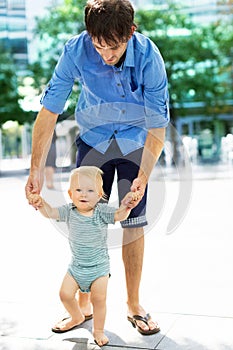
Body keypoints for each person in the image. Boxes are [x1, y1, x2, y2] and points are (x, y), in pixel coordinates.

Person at [25, 0, 170, 335]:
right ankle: (86, 306)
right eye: (98, 45)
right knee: (85, 218)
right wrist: (35, 170)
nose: (105, 54)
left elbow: (158, 124)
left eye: (114, 47)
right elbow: (49, 111)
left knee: (134, 219)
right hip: (94, 137)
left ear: (131, 33)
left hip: (136, 141)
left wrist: (144, 176)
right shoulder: (75, 51)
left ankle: (134, 305)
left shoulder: (150, 58)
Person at [29, 166, 141, 347]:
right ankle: (76, 316)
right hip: (76, 268)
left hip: (99, 269)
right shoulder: (69, 211)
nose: (84, 194)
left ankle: (98, 330)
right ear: (70, 193)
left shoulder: (101, 212)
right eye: (79, 190)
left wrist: (127, 205)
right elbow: (51, 212)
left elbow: (120, 215)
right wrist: (41, 203)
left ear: (99, 195)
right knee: (64, 294)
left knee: (99, 300)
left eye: (90, 191)